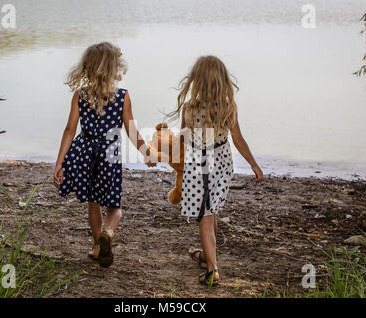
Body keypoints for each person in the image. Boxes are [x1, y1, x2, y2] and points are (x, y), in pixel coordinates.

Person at [53, 42, 156, 268]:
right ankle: (108, 232)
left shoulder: (80, 95)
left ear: (87, 67)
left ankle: (97, 248)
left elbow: (70, 130)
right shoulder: (122, 96)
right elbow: (131, 131)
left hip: (85, 152)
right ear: (114, 68)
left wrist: (59, 162)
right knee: (114, 205)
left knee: (93, 202)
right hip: (109, 153)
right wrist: (146, 153)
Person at [168, 55, 263, 285]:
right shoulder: (228, 106)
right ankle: (207, 257)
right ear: (222, 80)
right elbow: (238, 139)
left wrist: (162, 155)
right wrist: (253, 164)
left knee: (205, 216)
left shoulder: (190, 108)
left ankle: (212, 269)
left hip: (199, 165)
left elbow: (183, 139)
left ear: (196, 80)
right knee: (211, 212)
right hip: (221, 162)